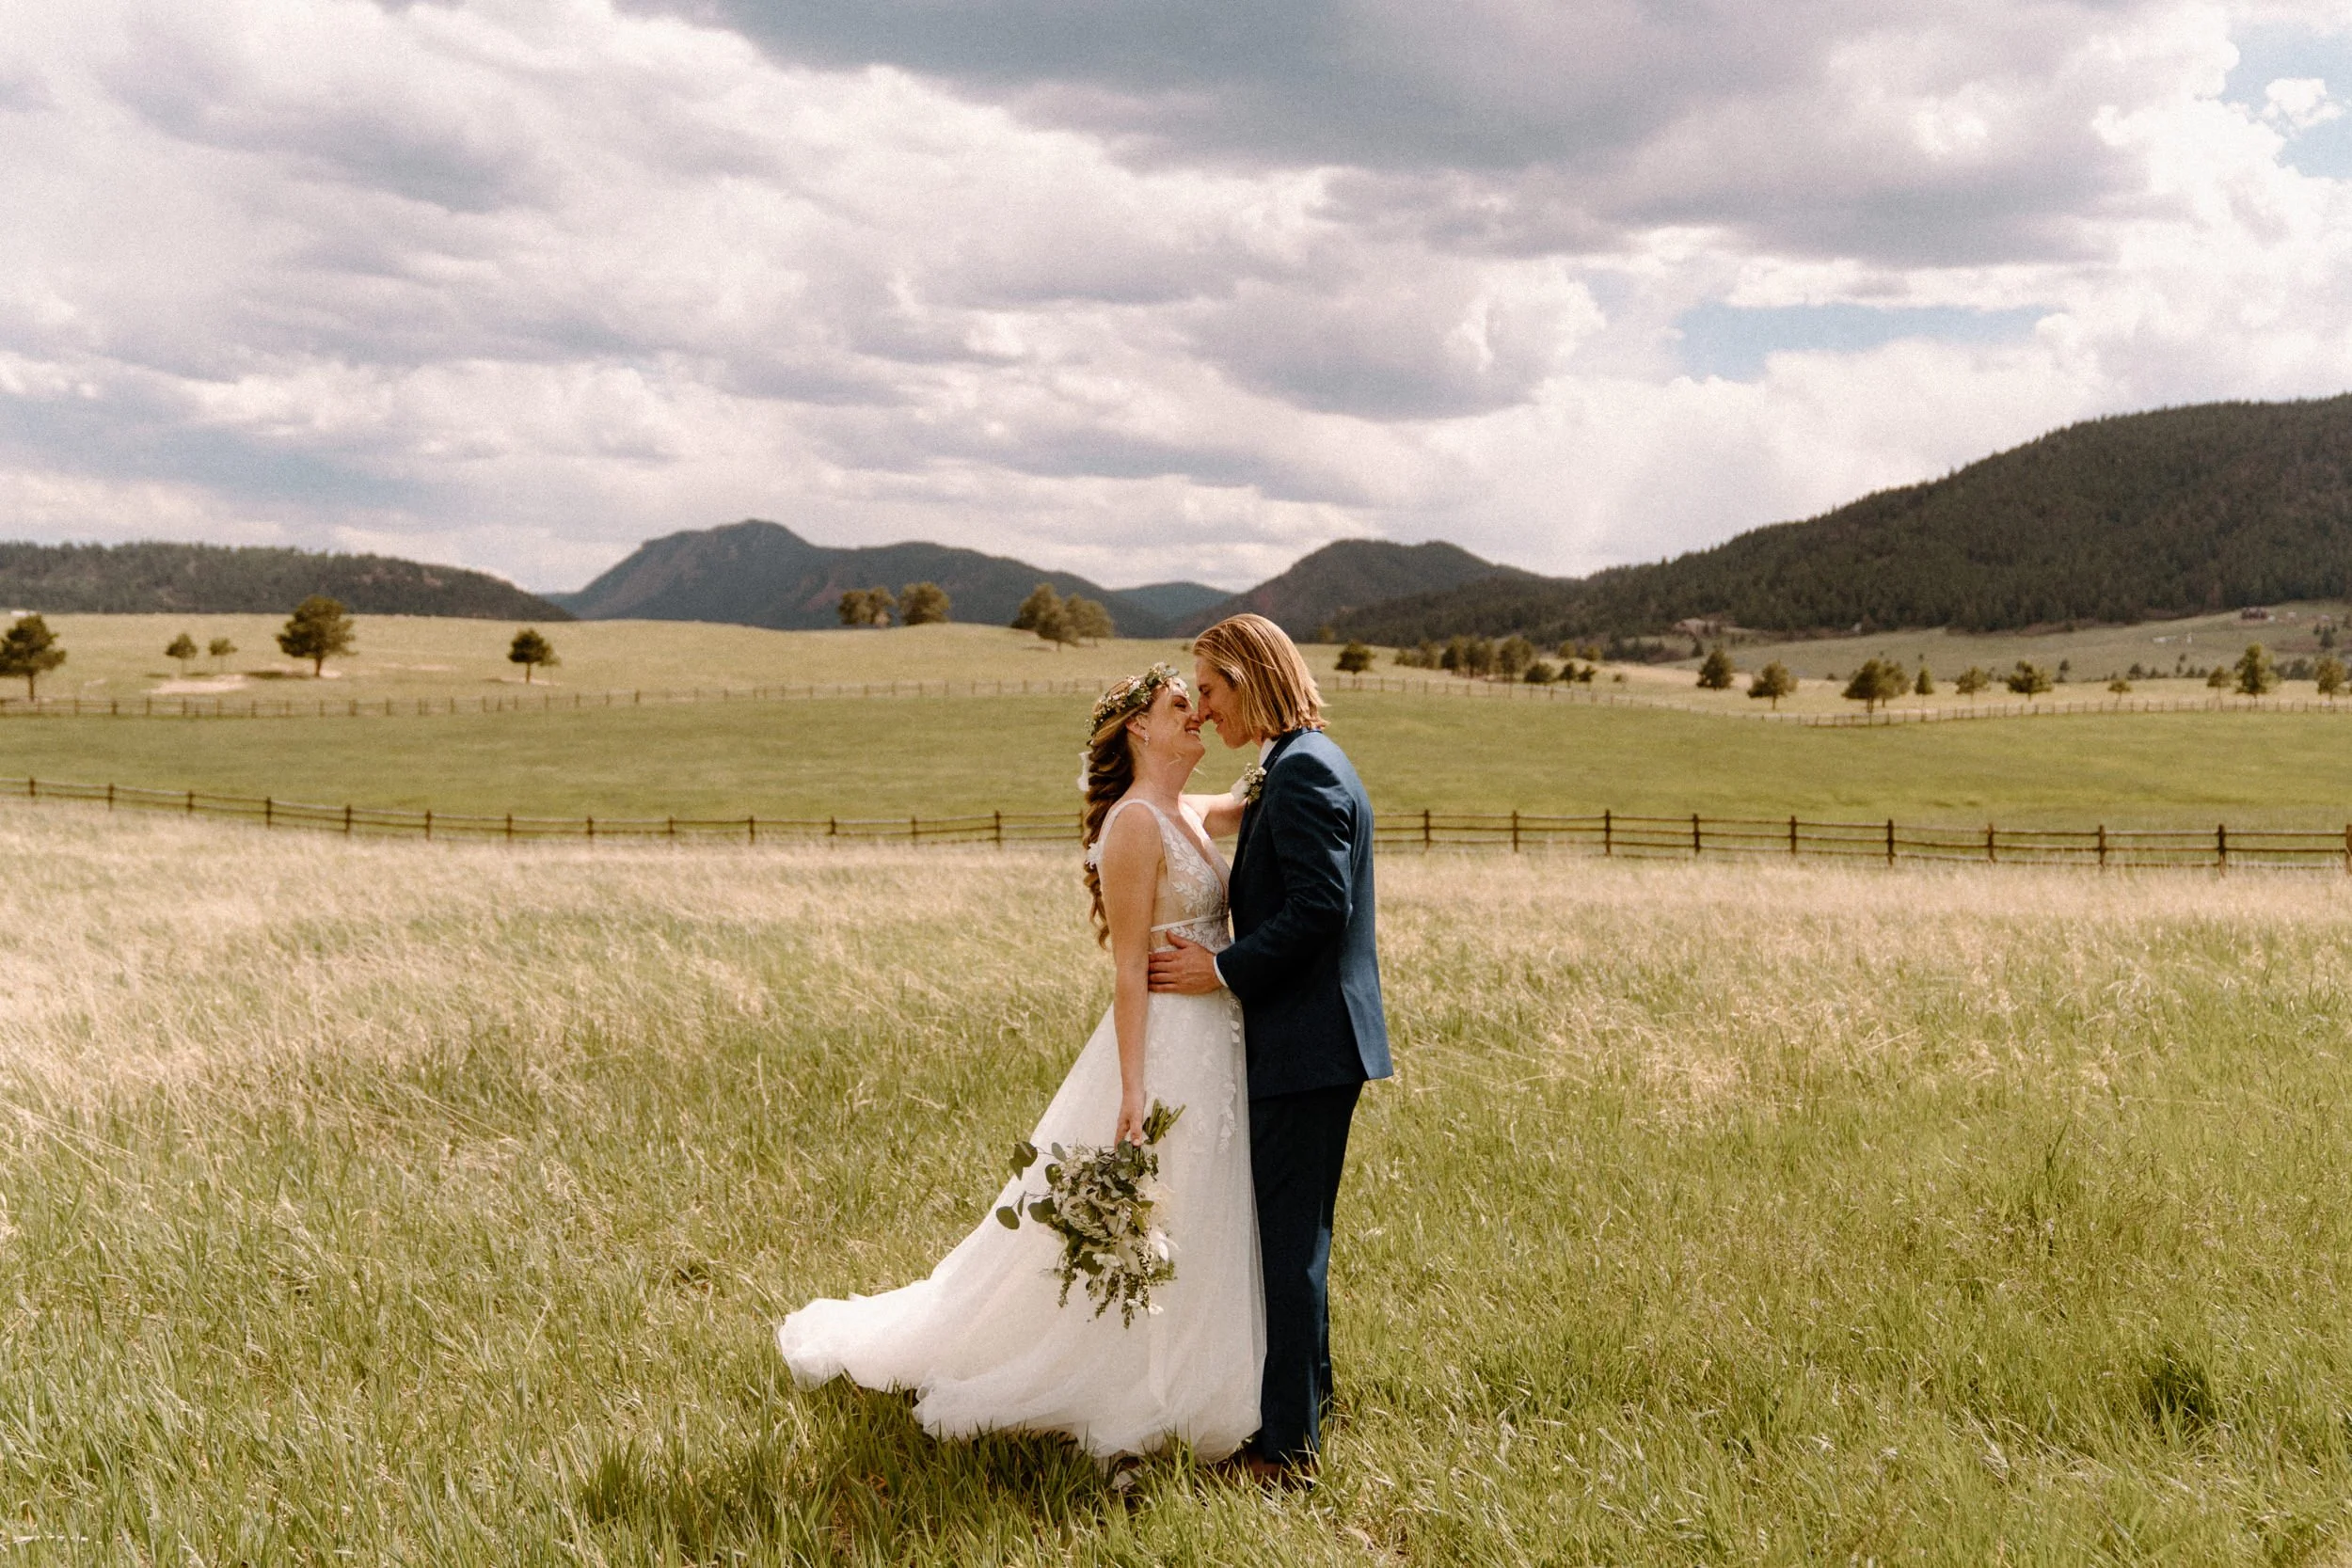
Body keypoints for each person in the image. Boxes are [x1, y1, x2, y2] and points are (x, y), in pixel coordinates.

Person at [776, 665, 1263, 1462]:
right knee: (1158, 1199)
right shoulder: (1134, 825)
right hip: (1166, 1041)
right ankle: (1126, 1376)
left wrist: (1282, 741)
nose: (1198, 716)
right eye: (1181, 704)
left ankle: (1201, 1366)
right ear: (1139, 728)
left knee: (1203, 1203)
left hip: (1216, 1037)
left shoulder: (1185, 809)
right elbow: (1127, 967)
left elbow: (1247, 798)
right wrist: (1133, 1086)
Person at [1151, 613, 1391, 1485]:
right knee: (1296, 1241)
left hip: (1307, 1044)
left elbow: (1321, 909)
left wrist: (1221, 968)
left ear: (1250, 679)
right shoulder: (1297, 761)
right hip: (1312, 1042)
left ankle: (1286, 1454)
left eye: (1211, 689)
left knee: (1288, 1249)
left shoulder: (1304, 773)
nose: (1205, 709)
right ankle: (1306, 1409)